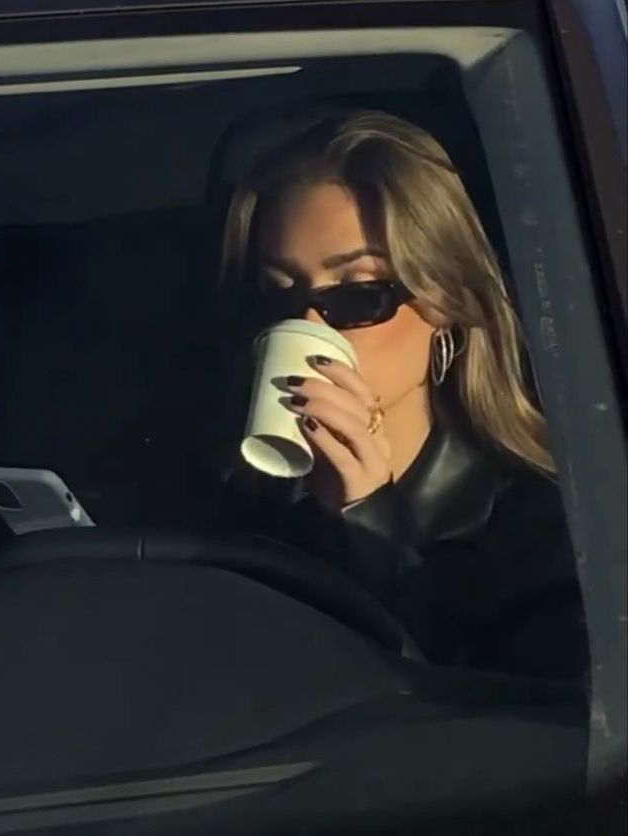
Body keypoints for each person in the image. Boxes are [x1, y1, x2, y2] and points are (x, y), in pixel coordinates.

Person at [218, 110, 590, 684]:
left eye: (360, 294)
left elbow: (489, 730)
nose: (311, 322)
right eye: (277, 295)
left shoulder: (545, 525)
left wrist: (368, 526)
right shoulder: (235, 517)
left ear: (442, 301)